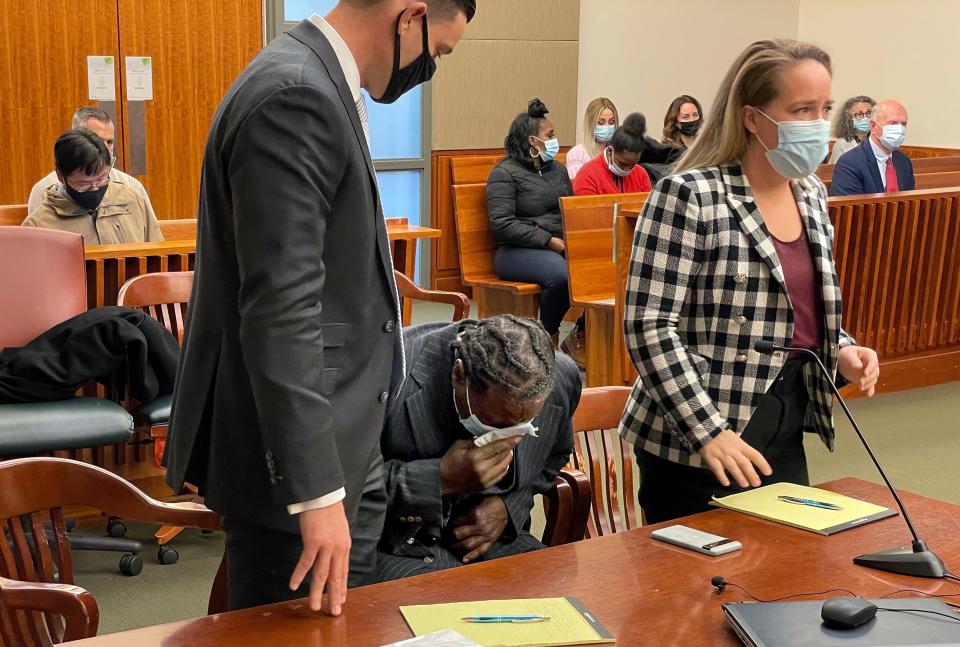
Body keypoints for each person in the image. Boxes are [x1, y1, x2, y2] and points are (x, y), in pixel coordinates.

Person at [164, 0, 474, 615]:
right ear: (409, 15)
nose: (428, 70)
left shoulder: (315, 81)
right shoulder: (295, 95)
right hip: (303, 467)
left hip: (343, 444)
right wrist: (317, 491)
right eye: (437, 53)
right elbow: (282, 309)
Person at [620, 39, 880, 524]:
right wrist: (708, 430)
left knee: (784, 574)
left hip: (783, 421)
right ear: (752, 117)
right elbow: (648, 325)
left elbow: (797, 303)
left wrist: (841, 346)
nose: (819, 124)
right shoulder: (688, 194)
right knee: (697, 588)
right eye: (801, 109)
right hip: (698, 437)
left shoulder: (811, 194)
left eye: (824, 108)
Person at [371, 315, 580, 582]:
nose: (510, 438)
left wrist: (508, 507)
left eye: (523, 426)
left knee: (564, 606)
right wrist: (438, 478)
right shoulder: (388, 377)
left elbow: (553, 457)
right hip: (398, 551)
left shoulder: (558, 377)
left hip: (499, 546)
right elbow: (346, 491)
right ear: (459, 375)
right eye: (499, 423)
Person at [485, 98, 585, 366]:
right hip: (515, 251)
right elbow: (502, 223)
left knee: (602, 272)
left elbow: (571, 211)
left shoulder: (558, 170)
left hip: (559, 246)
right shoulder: (504, 173)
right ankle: (547, 336)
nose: (555, 140)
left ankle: (582, 339)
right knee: (562, 277)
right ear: (532, 141)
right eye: (550, 135)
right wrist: (549, 241)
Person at [22, 129, 162, 244]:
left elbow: (158, 253)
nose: (95, 188)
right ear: (60, 176)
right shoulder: (39, 225)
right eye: (83, 184)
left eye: (101, 179)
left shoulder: (131, 200)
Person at [28, 106, 154, 215]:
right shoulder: (43, 190)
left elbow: (152, 238)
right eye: (97, 140)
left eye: (109, 142)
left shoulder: (131, 186)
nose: (104, 148)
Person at [829, 99, 914, 196]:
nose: (900, 129)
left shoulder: (904, 162)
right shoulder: (850, 163)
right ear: (873, 126)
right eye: (892, 123)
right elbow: (848, 208)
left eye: (903, 124)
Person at [572, 113, 653, 196]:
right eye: (623, 163)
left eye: (633, 164)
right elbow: (584, 208)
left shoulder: (641, 175)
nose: (627, 169)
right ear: (610, 151)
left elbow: (647, 208)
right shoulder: (588, 176)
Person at [565, 97, 619, 179]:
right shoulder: (577, 154)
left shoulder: (618, 152)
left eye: (611, 122)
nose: (607, 127)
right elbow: (577, 188)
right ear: (590, 123)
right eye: (601, 123)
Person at [828, 95, 875, 163]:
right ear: (849, 119)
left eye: (869, 113)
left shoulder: (877, 141)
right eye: (859, 114)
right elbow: (837, 171)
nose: (865, 118)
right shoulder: (842, 144)